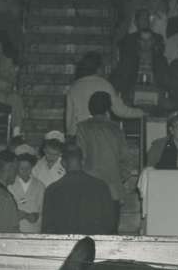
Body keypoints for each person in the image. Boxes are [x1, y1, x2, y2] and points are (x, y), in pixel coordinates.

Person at [76, 92, 131, 232]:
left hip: (89, 190)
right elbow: (126, 161)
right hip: (113, 191)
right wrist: (118, 179)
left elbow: (80, 158)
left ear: (90, 108)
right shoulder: (116, 129)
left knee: (89, 232)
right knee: (111, 232)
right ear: (108, 108)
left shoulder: (82, 128)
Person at [65, 52, 143, 138]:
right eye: (103, 67)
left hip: (76, 134)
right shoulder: (105, 84)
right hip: (96, 135)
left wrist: (70, 135)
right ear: (98, 68)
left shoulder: (74, 86)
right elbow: (120, 111)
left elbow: (69, 118)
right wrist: (141, 112)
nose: (105, 70)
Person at [42, 146, 116, 235]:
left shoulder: (52, 190)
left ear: (63, 163)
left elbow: (47, 227)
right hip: (92, 241)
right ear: (83, 162)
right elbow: (110, 223)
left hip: (63, 242)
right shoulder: (101, 186)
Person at [8, 144, 46, 233]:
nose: (25, 171)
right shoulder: (9, 185)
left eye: (28, 168)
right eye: (21, 168)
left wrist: (36, 216)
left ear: (32, 167)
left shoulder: (40, 186)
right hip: (13, 230)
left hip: (34, 230)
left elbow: (43, 210)